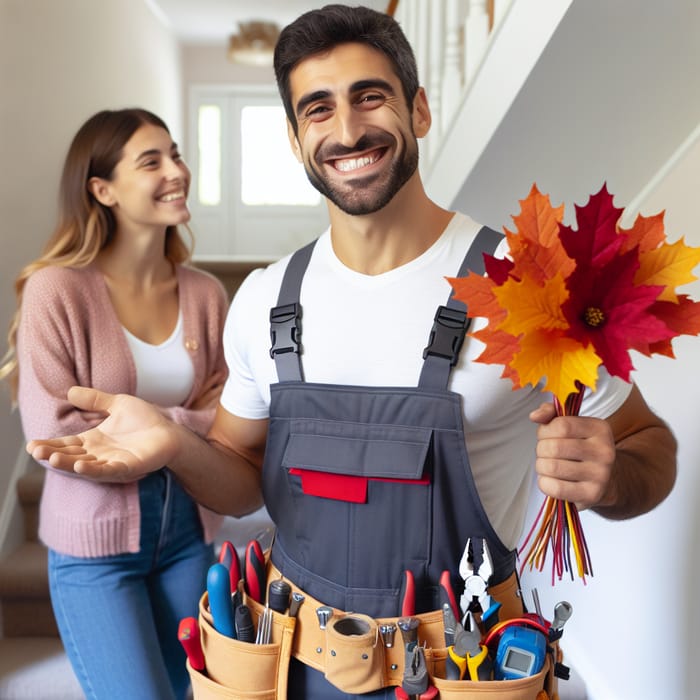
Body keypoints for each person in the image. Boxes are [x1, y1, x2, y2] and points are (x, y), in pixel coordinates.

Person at [26, 7, 677, 699]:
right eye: (317, 109)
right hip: (293, 667)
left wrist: (610, 477)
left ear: (419, 110)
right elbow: (243, 474)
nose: (347, 130)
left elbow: (648, 447)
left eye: (371, 96)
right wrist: (177, 447)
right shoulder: (265, 299)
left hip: (459, 671)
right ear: (294, 136)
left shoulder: (529, 283)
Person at [1, 108, 229, 700]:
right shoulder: (57, 289)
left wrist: (152, 425)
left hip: (187, 529)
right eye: (151, 161)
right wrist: (182, 425)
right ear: (102, 190)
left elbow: (230, 414)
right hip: (92, 546)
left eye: (175, 154)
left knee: (202, 692)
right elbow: (54, 431)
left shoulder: (205, 294)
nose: (176, 171)